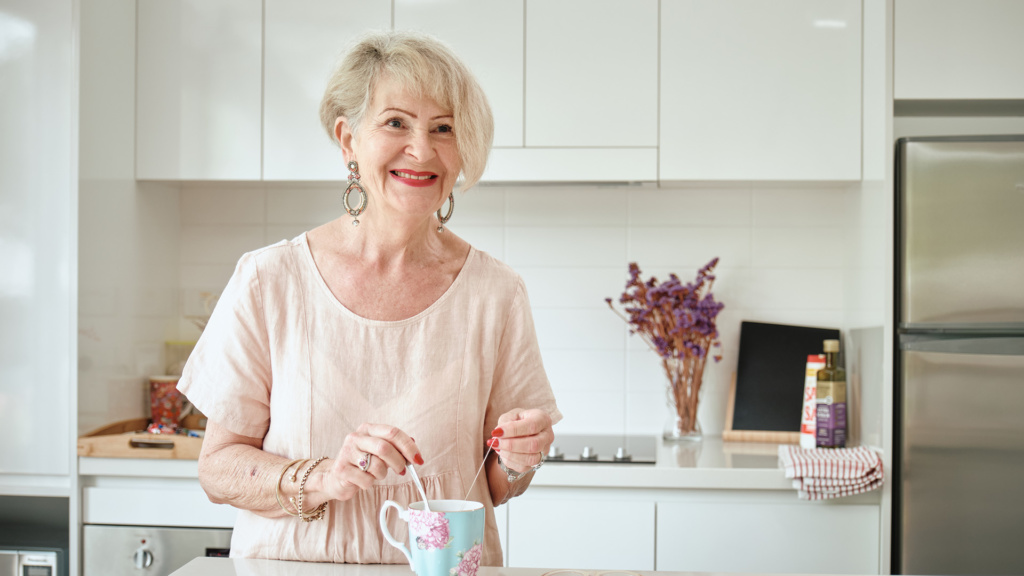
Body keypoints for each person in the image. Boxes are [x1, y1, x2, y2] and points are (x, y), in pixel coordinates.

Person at [177, 30, 561, 565]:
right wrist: (324, 478)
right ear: (348, 139)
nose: (422, 150)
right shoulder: (270, 279)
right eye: (396, 122)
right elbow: (217, 470)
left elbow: (494, 485)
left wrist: (521, 459)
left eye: (444, 128)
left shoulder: (496, 293)